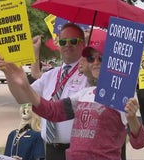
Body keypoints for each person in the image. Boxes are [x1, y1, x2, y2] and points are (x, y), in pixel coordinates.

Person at [0, 29, 144, 160]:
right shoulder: (85, 94)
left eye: (101, 57)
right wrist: (23, 84)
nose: (95, 62)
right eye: (90, 57)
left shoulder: (124, 95)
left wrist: (132, 118)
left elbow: (139, 142)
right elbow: (52, 111)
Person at [18, 23, 88, 160]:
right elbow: (23, 95)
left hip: (77, 151)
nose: (68, 45)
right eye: (63, 41)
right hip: (51, 149)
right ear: (58, 45)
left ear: (83, 44)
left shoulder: (88, 75)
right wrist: (12, 71)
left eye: (73, 41)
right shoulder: (50, 75)